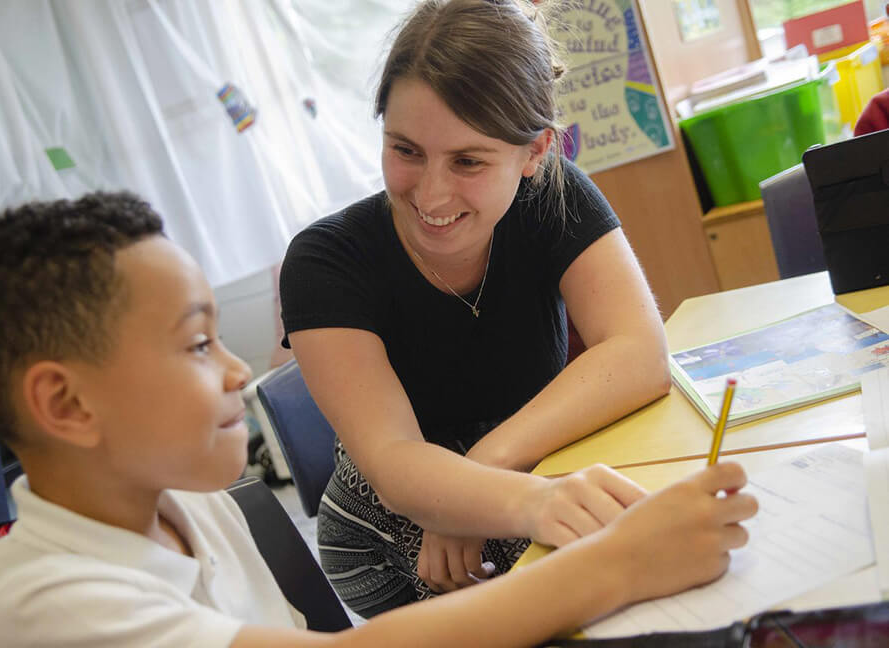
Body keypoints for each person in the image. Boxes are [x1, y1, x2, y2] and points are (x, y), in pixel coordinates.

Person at [0, 192, 756, 647]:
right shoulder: (48, 608)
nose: (240, 369)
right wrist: (620, 562)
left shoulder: (185, 498)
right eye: (198, 343)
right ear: (66, 403)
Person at [279, 0, 671, 615]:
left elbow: (641, 353)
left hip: (523, 473)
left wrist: (484, 465)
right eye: (405, 150)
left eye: (468, 161)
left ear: (536, 152)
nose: (431, 193)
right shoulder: (325, 262)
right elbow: (396, 464)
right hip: (383, 527)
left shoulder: (553, 195)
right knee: (625, 570)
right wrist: (472, 494)